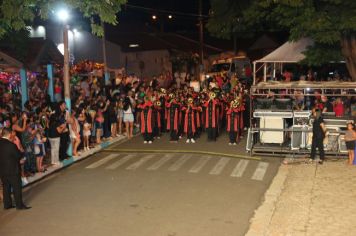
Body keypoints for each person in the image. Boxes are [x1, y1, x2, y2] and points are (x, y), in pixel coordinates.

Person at [0, 128, 31, 210]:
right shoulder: (11, 145)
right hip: (13, 169)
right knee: (16, 187)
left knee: (6, 187)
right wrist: (22, 152)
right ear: (9, 134)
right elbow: (18, 155)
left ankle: (7, 205)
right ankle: (19, 205)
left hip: (2, 170)